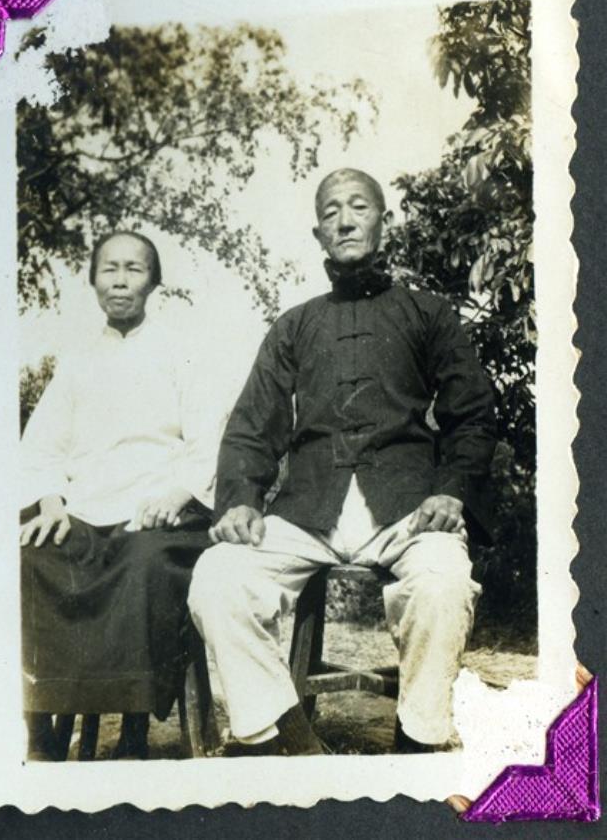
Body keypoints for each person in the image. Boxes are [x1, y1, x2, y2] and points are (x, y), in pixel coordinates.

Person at [188, 168, 497, 756]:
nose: (346, 220)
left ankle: (418, 743)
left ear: (385, 221)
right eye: (331, 212)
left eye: (359, 207)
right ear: (318, 233)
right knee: (218, 576)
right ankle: (283, 737)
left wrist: (452, 490)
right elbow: (252, 425)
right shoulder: (294, 325)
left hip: (407, 511)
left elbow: (474, 414)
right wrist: (241, 501)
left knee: (444, 583)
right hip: (308, 514)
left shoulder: (429, 313)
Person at [20, 231, 221, 760]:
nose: (121, 280)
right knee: (32, 555)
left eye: (134, 269)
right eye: (109, 269)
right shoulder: (77, 361)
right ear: (93, 280)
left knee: (144, 564)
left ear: (153, 282)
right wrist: (51, 502)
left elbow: (208, 442)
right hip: (86, 510)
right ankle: (39, 726)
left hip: (158, 514)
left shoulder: (182, 352)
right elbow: (42, 446)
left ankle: (133, 731)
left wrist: (177, 494)